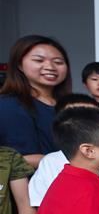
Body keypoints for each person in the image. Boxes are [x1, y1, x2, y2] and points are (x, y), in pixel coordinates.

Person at [0, 35, 71, 168]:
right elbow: (20, 158)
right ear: (19, 65)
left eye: (58, 62)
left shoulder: (71, 105)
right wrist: (78, 164)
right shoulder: (9, 105)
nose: (50, 66)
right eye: (39, 60)